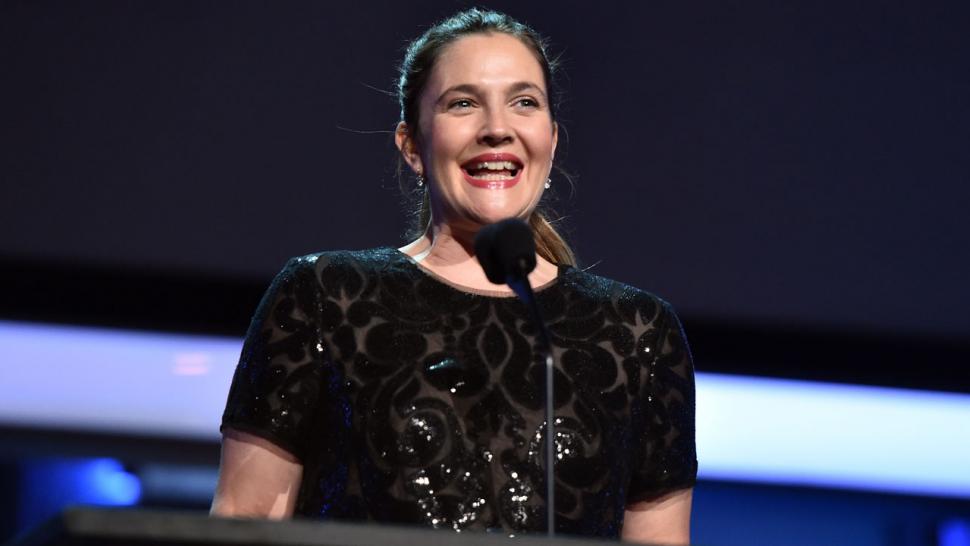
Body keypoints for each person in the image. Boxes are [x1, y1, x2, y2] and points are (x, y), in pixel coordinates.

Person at [210, 8, 697, 544]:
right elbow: (244, 518)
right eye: (463, 103)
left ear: (552, 140)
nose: (497, 129)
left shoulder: (638, 332)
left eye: (524, 102)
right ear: (412, 145)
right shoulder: (326, 295)